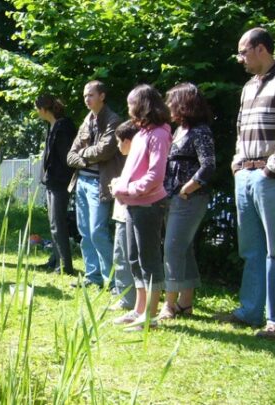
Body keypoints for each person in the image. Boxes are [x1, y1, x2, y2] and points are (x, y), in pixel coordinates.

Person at [218, 27, 275, 339]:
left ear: (260, 49)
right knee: (251, 249)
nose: (240, 58)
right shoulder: (248, 86)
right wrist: (237, 164)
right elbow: (242, 127)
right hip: (245, 174)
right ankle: (249, 312)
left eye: (243, 51)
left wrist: (273, 168)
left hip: (274, 176)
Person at [111, 84, 171, 331]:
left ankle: (150, 316)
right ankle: (138, 309)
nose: (129, 109)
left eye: (131, 104)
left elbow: (154, 177)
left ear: (143, 105)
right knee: (134, 259)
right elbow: (131, 172)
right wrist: (119, 184)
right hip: (132, 205)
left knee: (149, 260)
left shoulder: (159, 134)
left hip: (148, 205)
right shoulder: (140, 134)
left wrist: (126, 190)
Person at [157, 83, 216, 320]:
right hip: (173, 197)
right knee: (184, 248)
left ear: (184, 104)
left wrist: (188, 188)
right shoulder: (179, 130)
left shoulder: (200, 130)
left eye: (171, 102)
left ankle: (168, 306)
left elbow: (209, 164)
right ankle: (185, 303)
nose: (167, 106)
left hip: (189, 199)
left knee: (172, 248)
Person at [66, 81, 122, 288]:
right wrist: (84, 157)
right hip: (81, 181)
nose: (86, 99)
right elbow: (71, 154)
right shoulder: (86, 120)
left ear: (102, 96)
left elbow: (105, 150)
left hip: (100, 183)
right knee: (84, 232)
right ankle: (93, 277)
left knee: (98, 231)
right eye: (84, 96)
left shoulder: (113, 120)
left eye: (90, 95)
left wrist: (81, 154)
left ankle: (114, 280)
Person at [35, 94, 77, 274]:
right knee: (53, 223)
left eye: (38, 109)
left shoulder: (63, 127)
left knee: (58, 223)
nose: (37, 113)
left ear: (44, 110)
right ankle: (55, 260)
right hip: (51, 182)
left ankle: (65, 266)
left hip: (60, 183)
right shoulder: (52, 126)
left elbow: (66, 158)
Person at [108, 120, 138, 311]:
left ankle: (127, 299)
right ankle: (124, 295)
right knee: (120, 255)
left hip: (128, 211)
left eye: (119, 142)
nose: (118, 146)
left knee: (124, 256)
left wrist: (117, 186)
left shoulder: (137, 157)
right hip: (122, 212)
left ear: (128, 141)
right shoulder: (131, 158)